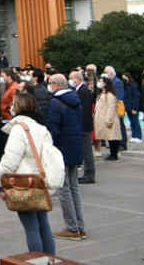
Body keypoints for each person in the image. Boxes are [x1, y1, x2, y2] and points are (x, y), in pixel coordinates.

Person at [0, 92, 55, 255]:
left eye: (13, 103)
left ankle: (36, 259)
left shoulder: (20, 129)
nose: (11, 107)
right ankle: (50, 259)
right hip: (40, 181)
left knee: (31, 227)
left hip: (23, 183)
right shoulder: (41, 127)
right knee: (43, 225)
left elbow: (10, 160)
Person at [46, 74, 86, 241]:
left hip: (62, 149)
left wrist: (48, 148)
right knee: (74, 188)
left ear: (56, 85)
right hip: (75, 147)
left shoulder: (56, 103)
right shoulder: (75, 100)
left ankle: (72, 228)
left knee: (64, 190)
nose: (48, 86)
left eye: (49, 83)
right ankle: (80, 227)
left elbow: (52, 129)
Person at [70, 71, 96, 183]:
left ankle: (89, 174)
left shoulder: (83, 91)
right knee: (85, 151)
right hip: (82, 126)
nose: (70, 80)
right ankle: (88, 173)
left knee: (87, 152)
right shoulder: (79, 90)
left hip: (85, 126)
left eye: (71, 78)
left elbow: (85, 111)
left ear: (77, 79)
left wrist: (84, 128)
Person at [93, 75, 122, 160]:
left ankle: (114, 154)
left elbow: (111, 107)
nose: (99, 83)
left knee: (112, 137)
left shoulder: (109, 95)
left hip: (108, 118)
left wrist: (109, 119)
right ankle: (112, 153)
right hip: (103, 118)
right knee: (109, 136)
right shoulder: (102, 93)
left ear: (105, 84)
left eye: (101, 82)